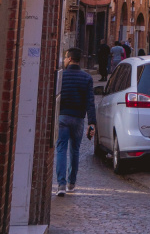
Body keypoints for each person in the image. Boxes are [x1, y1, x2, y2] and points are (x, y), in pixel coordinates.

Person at [56, 48, 95, 196]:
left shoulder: (62, 76)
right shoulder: (86, 78)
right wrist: (92, 123)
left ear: (70, 59)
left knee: (61, 149)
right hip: (78, 118)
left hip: (63, 117)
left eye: (66, 58)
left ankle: (60, 184)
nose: (65, 60)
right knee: (75, 150)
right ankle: (71, 183)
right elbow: (90, 102)